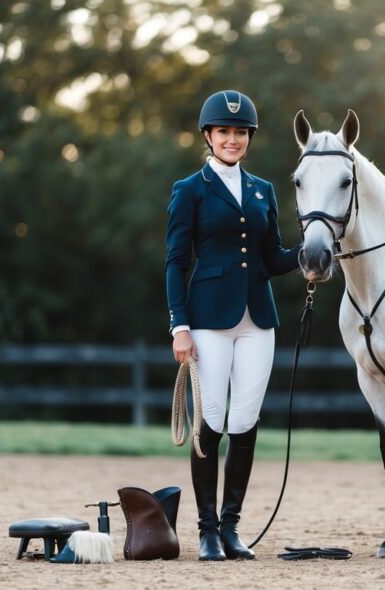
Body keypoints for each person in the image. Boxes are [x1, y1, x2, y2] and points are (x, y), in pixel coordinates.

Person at [165, 89, 300, 561]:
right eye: (224, 131)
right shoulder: (190, 189)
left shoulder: (264, 189)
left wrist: (309, 256)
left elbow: (272, 257)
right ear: (208, 135)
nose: (232, 139)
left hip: (258, 320)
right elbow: (175, 263)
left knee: (245, 421)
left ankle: (230, 528)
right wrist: (178, 325)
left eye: (240, 133)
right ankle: (205, 530)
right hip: (206, 321)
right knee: (212, 420)